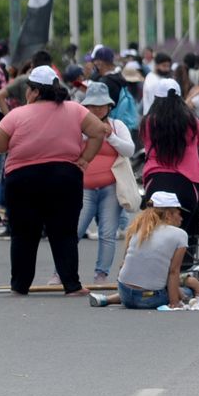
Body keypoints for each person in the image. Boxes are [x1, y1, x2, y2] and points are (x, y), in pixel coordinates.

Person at [0, 65, 108, 295]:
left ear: (33, 91)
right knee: (64, 232)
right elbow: (99, 131)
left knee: (23, 234)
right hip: (64, 177)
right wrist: (84, 159)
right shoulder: (74, 110)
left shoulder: (18, 114)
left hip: (22, 179)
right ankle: (71, 285)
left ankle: (20, 285)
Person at [90, 192, 199, 309]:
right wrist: (174, 302)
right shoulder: (179, 234)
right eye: (179, 213)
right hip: (151, 299)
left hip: (125, 293)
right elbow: (174, 272)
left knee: (147, 281)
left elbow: (124, 264)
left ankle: (106, 299)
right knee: (187, 290)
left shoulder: (137, 228)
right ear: (169, 214)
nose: (181, 218)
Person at [140, 78, 199, 273]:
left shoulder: (148, 122)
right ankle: (182, 270)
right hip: (187, 184)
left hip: (156, 182)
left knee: (155, 230)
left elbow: (145, 145)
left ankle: (154, 269)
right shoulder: (191, 121)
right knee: (182, 231)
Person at [72, 82, 135, 282]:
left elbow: (129, 150)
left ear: (109, 106)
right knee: (73, 231)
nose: (97, 109)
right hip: (83, 188)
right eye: (92, 105)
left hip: (110, 187)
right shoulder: (78, 127)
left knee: (107, 233)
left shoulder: (117, 126)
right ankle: (61, 272)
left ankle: (102, 274)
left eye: (101, 105)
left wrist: (111, 137)